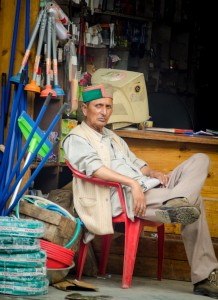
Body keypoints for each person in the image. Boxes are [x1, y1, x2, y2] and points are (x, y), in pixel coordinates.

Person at [63, 84, 218, 299]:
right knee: (196, 202)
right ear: (84, 108)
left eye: (108, 106)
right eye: (98, 106)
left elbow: (137, 163)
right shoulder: (77, 138)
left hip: (147, 186)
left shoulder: (112, 137)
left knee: (200, 159)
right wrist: (133, 184)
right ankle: (204, 277)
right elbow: (96, 170)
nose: (104, 112)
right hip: (122, 196)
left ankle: (178, 201)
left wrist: (153, 173)